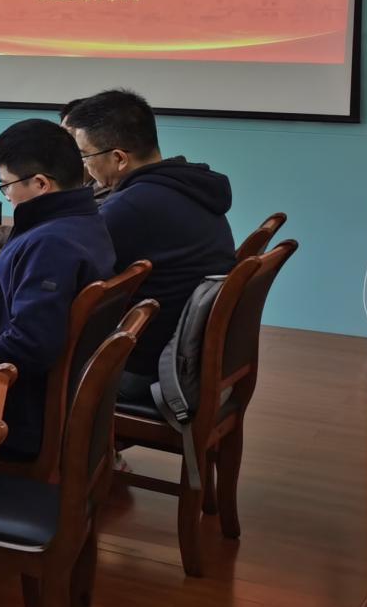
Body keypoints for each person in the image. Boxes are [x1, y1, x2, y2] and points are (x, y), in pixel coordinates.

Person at [61, 89, 237, 396]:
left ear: (118, 158)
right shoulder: (187, 185)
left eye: (85, 155)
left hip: (145, 368)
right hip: (189, 355)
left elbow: (62, 269)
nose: (84, 165)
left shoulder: (129, 207)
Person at [0, 120, 116, 460]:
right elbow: (10, 277)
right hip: (22, 395)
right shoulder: (81, 221)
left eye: (5, 185)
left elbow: (29, 345)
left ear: (40, 184)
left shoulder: (50, 244)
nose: (5, 196)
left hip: (5, 411)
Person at [0, 98, 93, 249]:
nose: (66, 146)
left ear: (41, 184)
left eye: (71, 137)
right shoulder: (75, 216)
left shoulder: (49, 240)